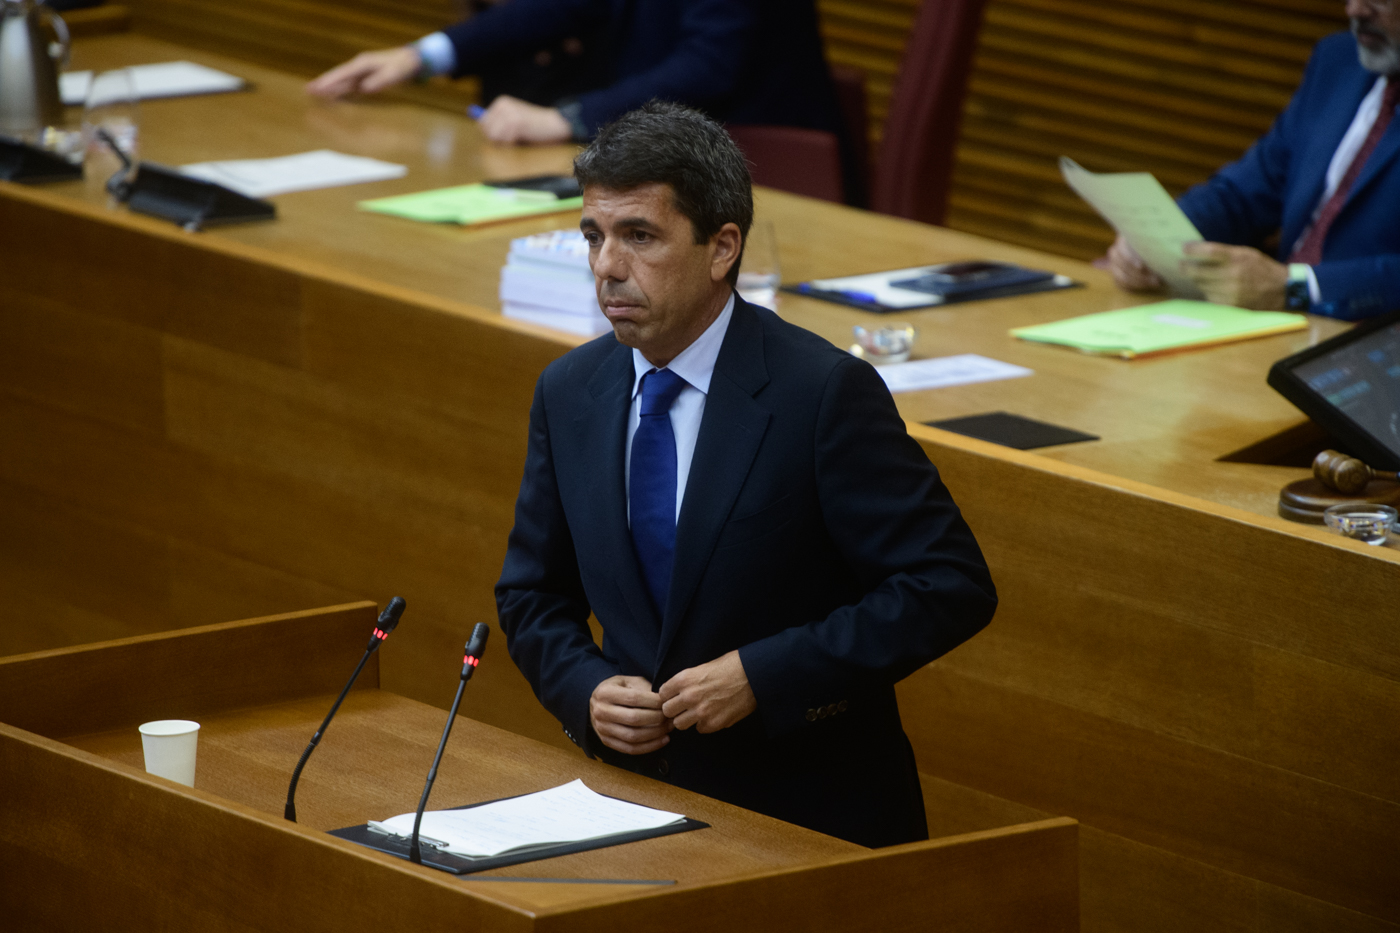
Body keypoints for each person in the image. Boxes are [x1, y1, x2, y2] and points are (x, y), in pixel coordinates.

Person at [494, 102, 997, 848]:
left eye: (639, 236)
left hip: (806, 817)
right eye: (594, 236)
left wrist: (764, 675)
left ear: (721, 248)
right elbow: (532, 592)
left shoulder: (820, 394)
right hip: (635, 808)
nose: (606, 266)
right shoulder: (570, 390)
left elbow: (947, 585)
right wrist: (585, 689)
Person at [1108, 0, 1400, 320]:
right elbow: (1246, 194)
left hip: (1368, 336)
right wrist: (1153, 238)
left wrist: (1294, 287)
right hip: (1275, 323)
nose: (1355, 10)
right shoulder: (1339, 58)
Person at [305, 0, 843, 149]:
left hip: (761, 160)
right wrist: (422, 56)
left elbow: (709, 66)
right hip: (665, 151)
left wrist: (565, 119)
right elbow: (563, 5)